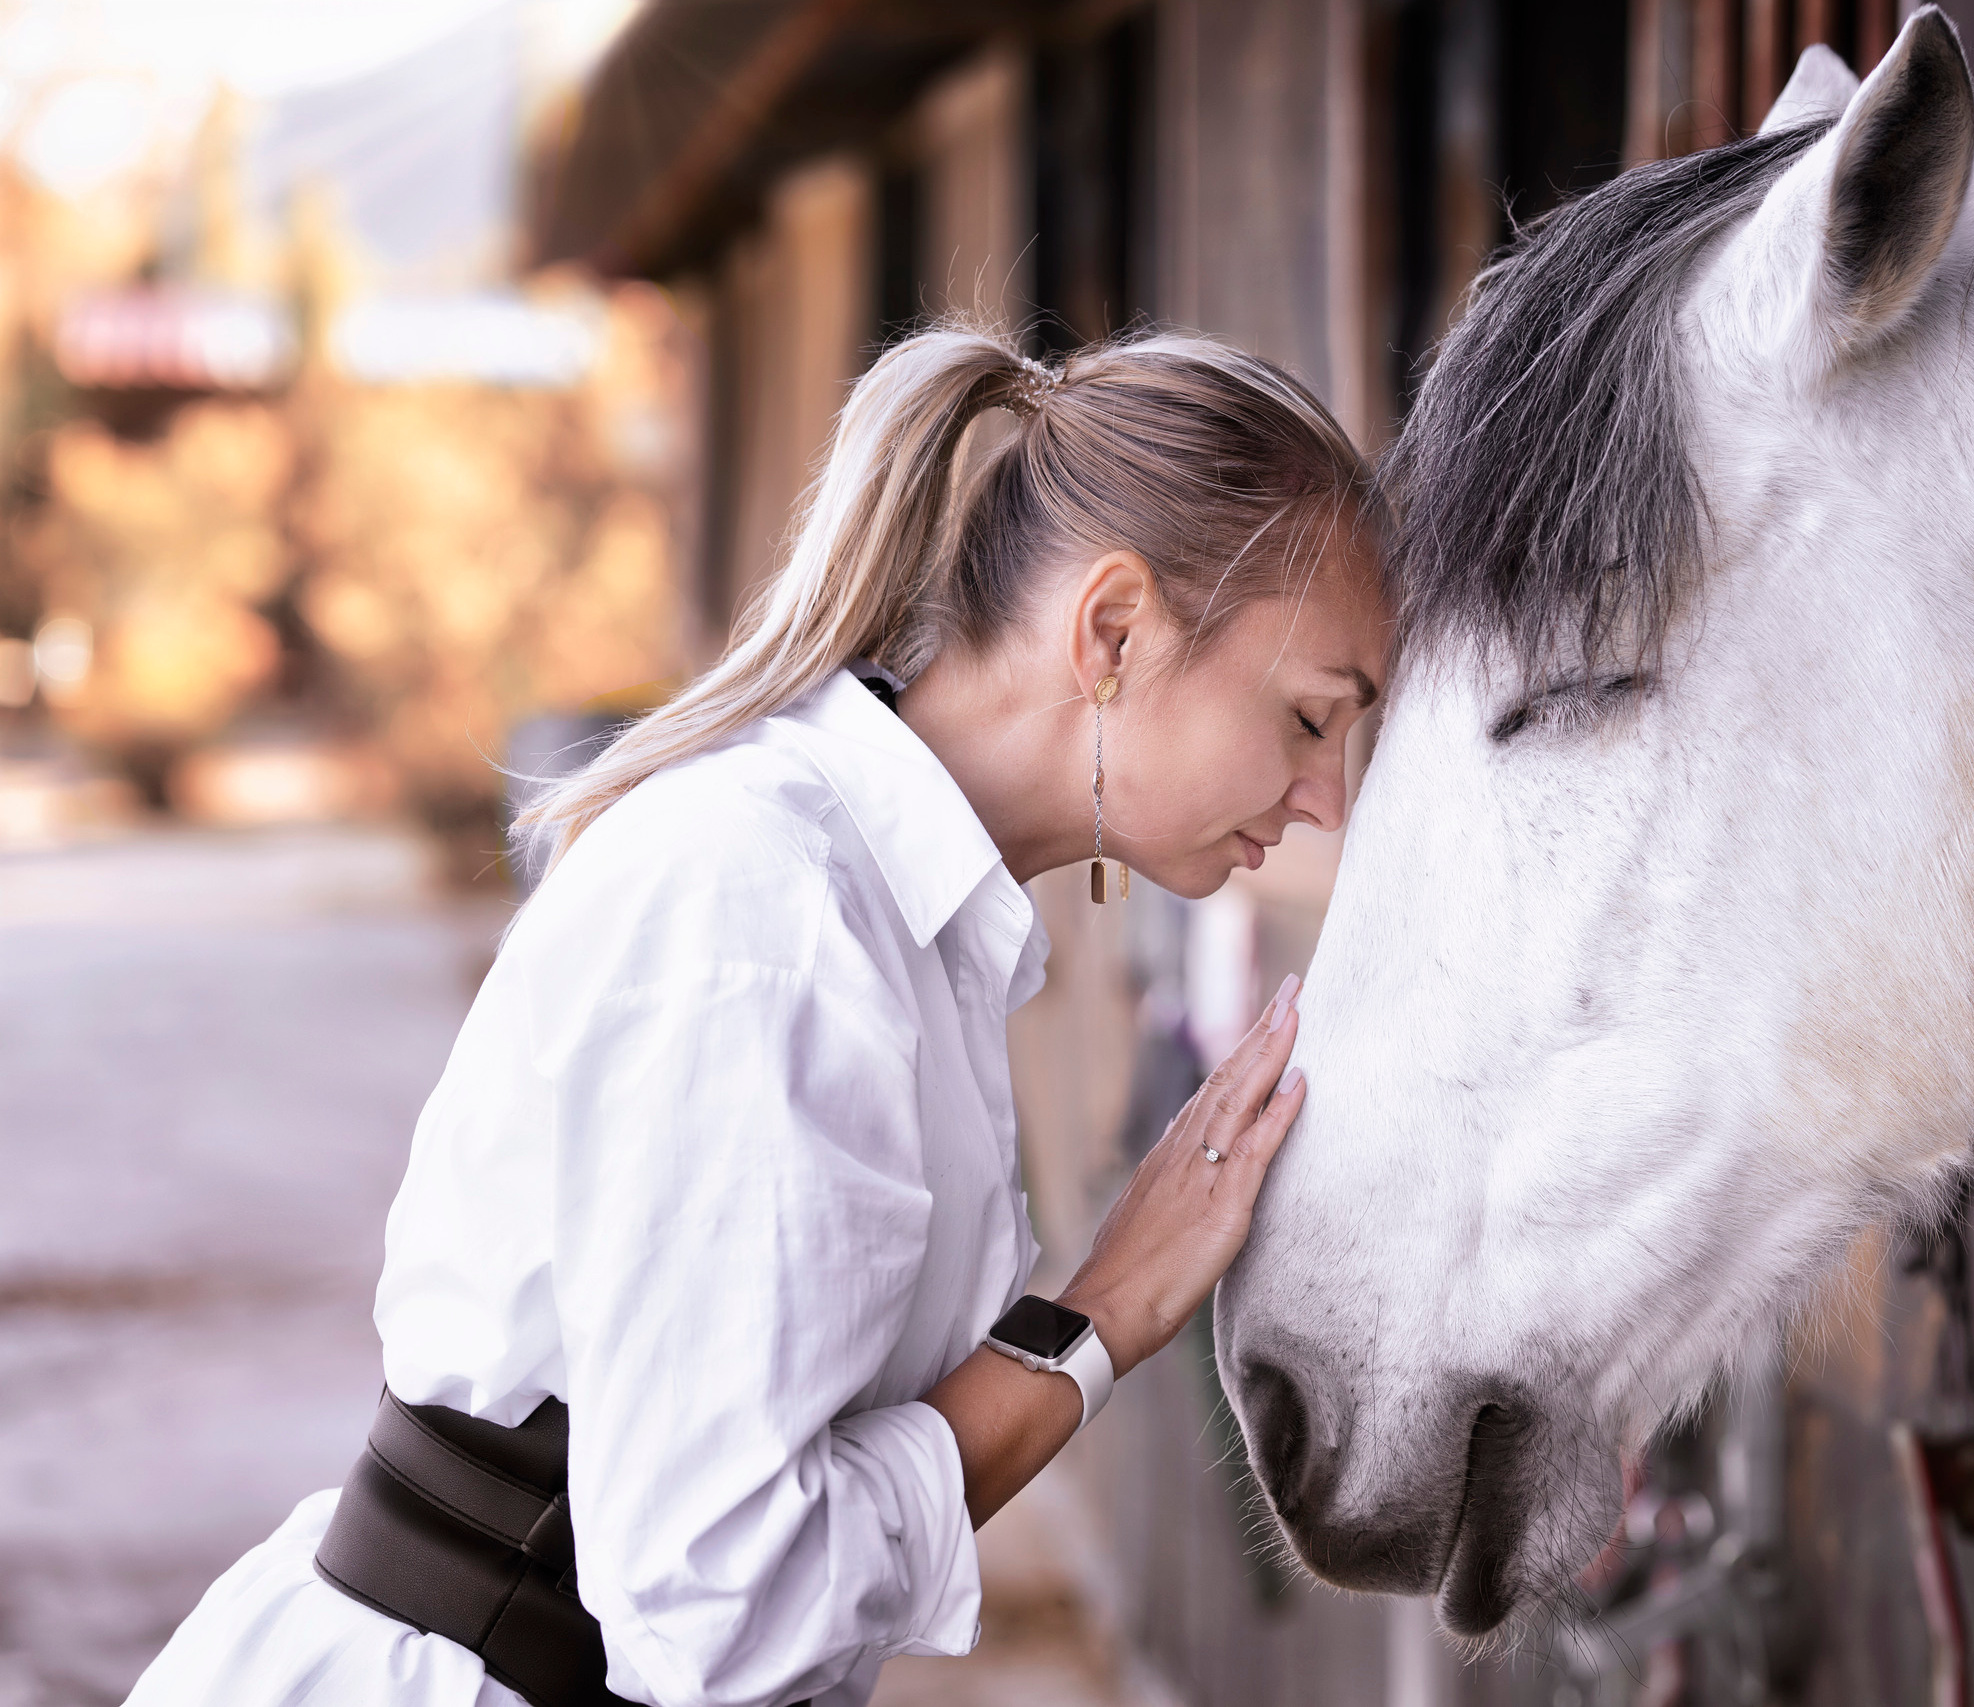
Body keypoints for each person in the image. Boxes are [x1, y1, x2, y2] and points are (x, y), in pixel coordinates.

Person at [128, 326, 1390, 1707]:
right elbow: (725, 1604)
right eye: (1313, 719)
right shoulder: (767, 912)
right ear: (1113, 631)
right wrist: (1098, 1319)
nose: (1330, 800)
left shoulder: (888, 915)